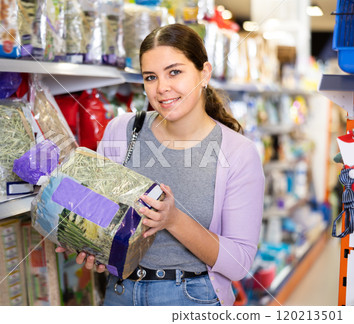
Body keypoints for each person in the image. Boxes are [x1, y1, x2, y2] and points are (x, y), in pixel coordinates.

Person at [57, 23, 264, 306]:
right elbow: (102, 217)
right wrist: (92, 244)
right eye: (150, 77)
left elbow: (239, 263)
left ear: (204, 73)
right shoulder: (122, 131)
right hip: (121, 295)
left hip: (192, 298)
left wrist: (174, 220)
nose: (162, 88)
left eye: (175, 72)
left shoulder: (238, 152)